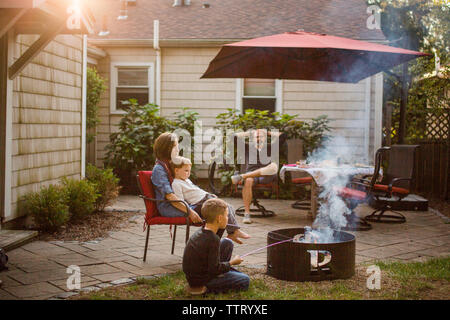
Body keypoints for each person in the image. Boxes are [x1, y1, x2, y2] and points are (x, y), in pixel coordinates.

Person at [151, 132, 250, 244]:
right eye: (175, 146)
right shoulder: (159, 169)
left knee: (223, 207)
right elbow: (170, 196)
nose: (178, 149)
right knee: (218, 210)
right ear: (166, 148)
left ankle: (218, 241)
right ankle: (212, 244)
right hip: (170, 208)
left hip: (182, 203)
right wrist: (190, 212)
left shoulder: (169, 165)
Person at [182, 198, 250, 294]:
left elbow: (215, 242)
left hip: (196, 275)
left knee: (227, 243)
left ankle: (225, 273)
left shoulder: (204, 231)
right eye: (227, 216)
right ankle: (205, 290)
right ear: (219, 218)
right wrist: (232, 263)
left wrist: (223, 225)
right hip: (201, 281)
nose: (228, 218)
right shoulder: (212, 239)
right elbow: (214, 269)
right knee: (245, 280)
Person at [230, 129, 285, 224]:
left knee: (274, 167)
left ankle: (242, 176)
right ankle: (247, 214)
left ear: (266, 138)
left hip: (266, 175)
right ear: (253, 138)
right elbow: (233, 137)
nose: (259, 138)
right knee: (248, 181)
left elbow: (283, 136)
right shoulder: (247, 147)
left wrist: (268, 132)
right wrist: (249, 133)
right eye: (256, 137)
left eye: (261, 136)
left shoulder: (270, 147)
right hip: (252, 175)